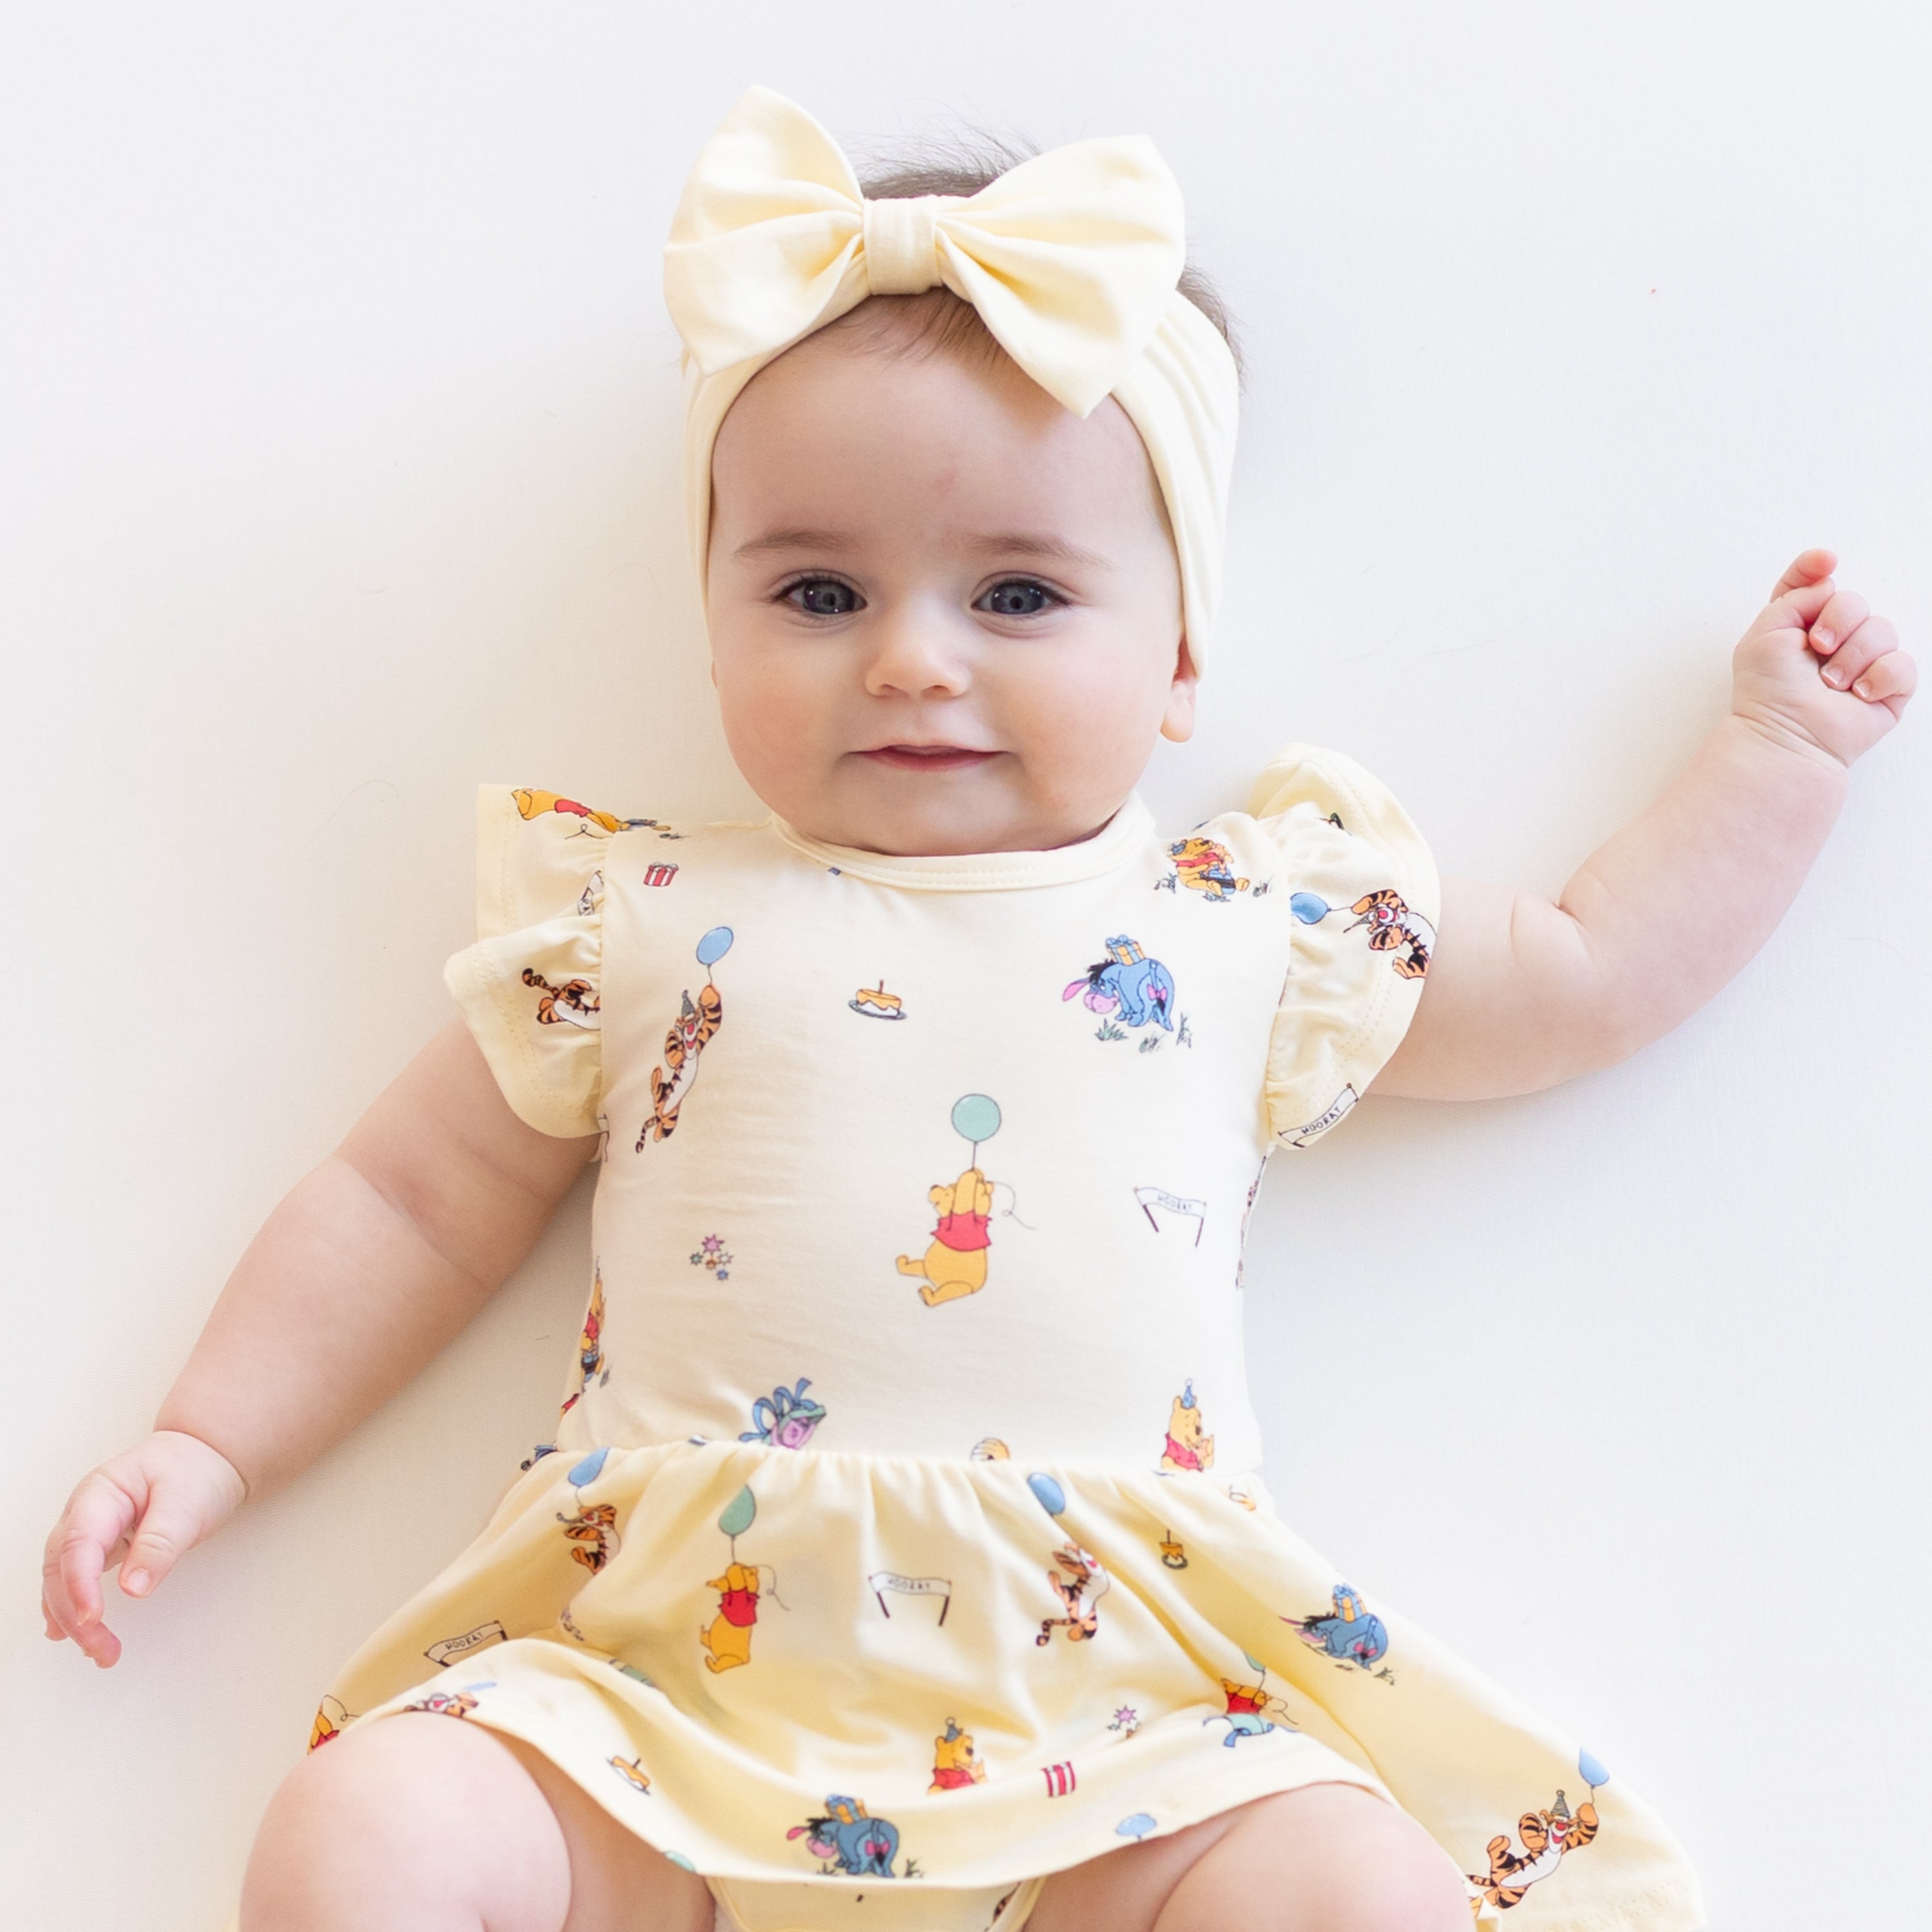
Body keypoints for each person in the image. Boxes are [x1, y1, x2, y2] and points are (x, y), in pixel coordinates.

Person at [41, 85, 1912, 1932]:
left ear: (1180, 656)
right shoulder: (641, 923)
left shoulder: (1249, 918)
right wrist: (210, 1437)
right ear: (711, 624)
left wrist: (1782, 753)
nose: (913, 655)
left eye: (1018, 591)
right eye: (820, 589)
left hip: (1116, 1725)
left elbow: (1584, 973)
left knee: (1356, 1891)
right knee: (365, 1837)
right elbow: (407, 1200)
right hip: (658, 1703)